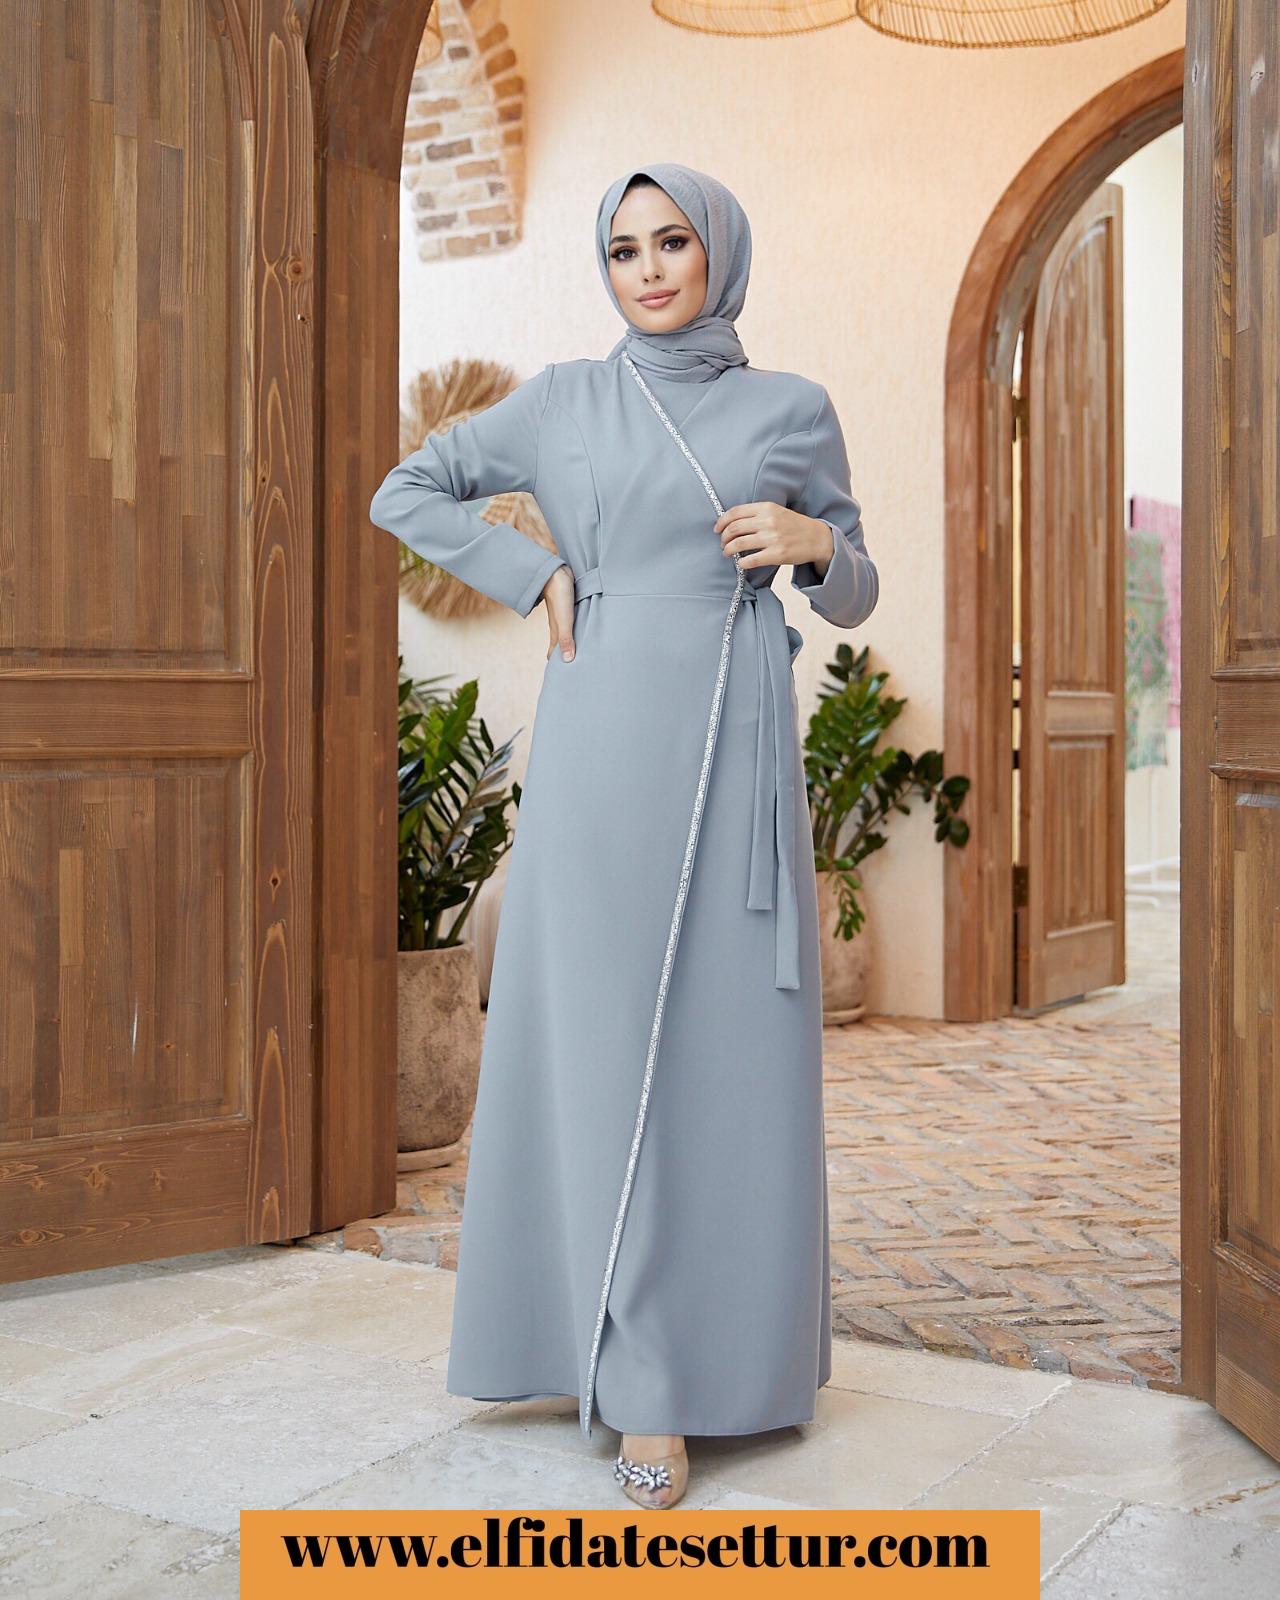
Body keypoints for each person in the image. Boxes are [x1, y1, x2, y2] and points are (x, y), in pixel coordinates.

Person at [369, 161, 879, 1511]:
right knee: (601, 1049)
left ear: (719, 252)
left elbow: (855, 588)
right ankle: (631, 1371)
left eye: (671, 242)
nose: (647, 269)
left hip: (736, 752)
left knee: (724, 1059)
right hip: (599, 757)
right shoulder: (563, 402)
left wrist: (812, 539)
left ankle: (736, 1360)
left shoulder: (791, 407)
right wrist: (533, 569)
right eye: (622, 249)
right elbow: (406, 488)